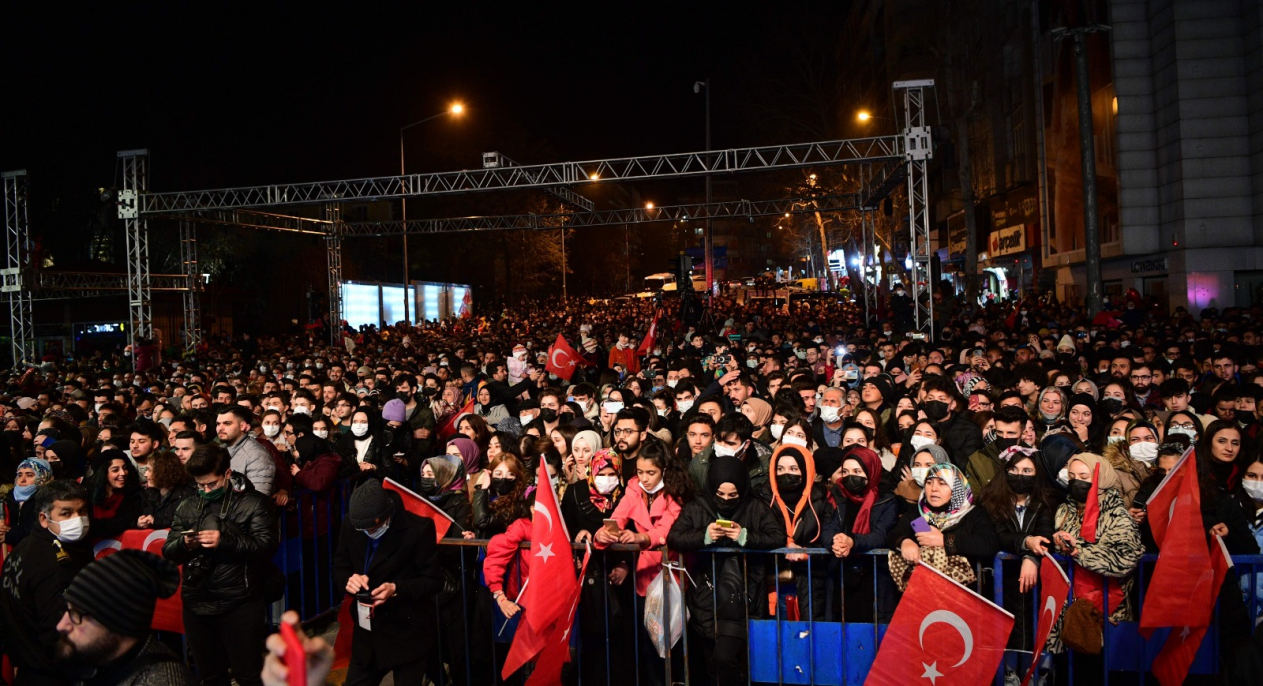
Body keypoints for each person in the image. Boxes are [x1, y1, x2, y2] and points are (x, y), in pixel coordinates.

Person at [162, 444, 277, 686]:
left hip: (240, 602)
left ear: (227, 474)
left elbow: (265, 547)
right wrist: (184, 543)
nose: (205, 490)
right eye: (199, 485)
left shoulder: (253, 503)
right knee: (211, 676)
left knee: (248, 675)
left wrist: (224, 541)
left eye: (211, 484)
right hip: (197, 602)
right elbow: (168, 551)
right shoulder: (187, 506)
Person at [667, 456, 786, 684]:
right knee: (711, 662)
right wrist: (704, 535)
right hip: (705, 595)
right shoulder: (696, 508)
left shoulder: (755, 507)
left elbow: (777, 536)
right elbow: (675, 537)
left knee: (725, 657)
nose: (726, 500)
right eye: (720, 494)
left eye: (733, 496)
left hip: (742, 596)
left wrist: (745, 536)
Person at [595, 441, 689, 686]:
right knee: (648, 647)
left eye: (651, 472)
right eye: (640, 472)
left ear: (664, 470)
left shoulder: (675, 492)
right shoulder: (634, 488)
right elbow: (618, 516)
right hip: (644, 579)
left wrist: (642, 538)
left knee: (672, 647)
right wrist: (604, 534)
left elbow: (667, 529)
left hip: (671, 577)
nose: (644, 478)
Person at [333, 478, 442, 686]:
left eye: (372, 529)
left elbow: (434, 581)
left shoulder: (417, 529)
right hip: (367, 635)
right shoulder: (352, 524)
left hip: (407, 633)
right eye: (362, 530)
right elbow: (340, 565)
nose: (368, 533)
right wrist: (348, 580)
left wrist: (397, 588)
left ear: (386, 517)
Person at [0, 480, 95, 685]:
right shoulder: (56, 564)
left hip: (29, 668)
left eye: (83, 511)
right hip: (54, 673)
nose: (78, 520)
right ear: (44, 518)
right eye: (66, 513)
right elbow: (58, 629)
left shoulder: (23, 548)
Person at [1047, 453, 1144, 653]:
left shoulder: (1117, 515)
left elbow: (1125, 558)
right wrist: (1060, 545)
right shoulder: (1064, 510)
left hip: (1108, 612)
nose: (1076, 482)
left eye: (1084, 476)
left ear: (1101, 478)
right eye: (1072, 476)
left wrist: (1078, 549)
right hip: (1069, 609)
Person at [55, 550, 194, 685]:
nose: (61, 625)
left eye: (77, 614)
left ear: (120, 623)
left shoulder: (162, 680)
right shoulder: (97, 660)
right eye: (67, 610)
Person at [977, 445, 1057, 678]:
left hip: (1038, 585)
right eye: (1014, 469)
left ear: (1037, 474)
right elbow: (998, 536)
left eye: (1027, 470)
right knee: (1004, 637)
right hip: (1002, 584)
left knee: (1036, 635)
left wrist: (1032, 556)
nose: (1020, 475)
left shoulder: (1046, 501)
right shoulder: (990, 500)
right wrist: (1027, 543)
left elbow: (1046, 531)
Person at [819, 445, 899, 623]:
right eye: (845, 471)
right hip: (841, 576)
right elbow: (827, 528)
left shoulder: (887, 500)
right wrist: (835, 541)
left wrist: (852, 541)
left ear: (871, 471)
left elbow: (880, 535)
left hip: (874, 578)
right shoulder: (836, 495)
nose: (850, 476)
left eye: (857, 471)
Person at [888, 462, 998, 590]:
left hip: (964, 594)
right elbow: (894, 533)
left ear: (955, 489)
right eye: (929, 483)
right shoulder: (916, 512)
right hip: (921, 592)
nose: (934, 488)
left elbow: (989, 543)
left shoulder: (973, 514)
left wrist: (944, 541)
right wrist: (904, 542)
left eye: (942, 483)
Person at [216, 406, 276, 496]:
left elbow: (257, 500)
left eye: (227, 423)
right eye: (218, 424)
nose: (220, 428)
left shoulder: (258, 456)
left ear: (243, 426)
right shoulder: (219, 450)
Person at [86, 450, 144, 541]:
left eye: (125, 468)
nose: (123, 473)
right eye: (115, 470)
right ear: (103, 473)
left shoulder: (135, 494)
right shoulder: (87, 493)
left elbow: (128, 521)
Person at [1, 457, 53, 547]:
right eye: (20, 475)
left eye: (29, 475)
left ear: (42, 477)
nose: (22, 479)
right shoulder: (7, 498)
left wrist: (11, 534)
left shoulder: (46, 500)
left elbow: (39, 528)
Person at [138, 451, 196, 530]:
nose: (145, 474)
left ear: (162, 471)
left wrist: (156, 521)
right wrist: (139, 522)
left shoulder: (186, 494)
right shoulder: (149, 493)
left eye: (149, 470)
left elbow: (186, 523)